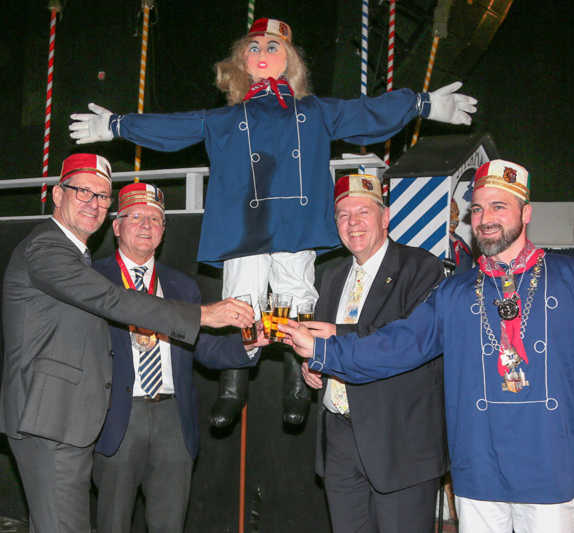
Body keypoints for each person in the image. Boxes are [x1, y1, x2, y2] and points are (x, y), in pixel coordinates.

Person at [68, 17, 478, 428]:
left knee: (296, 296)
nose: (262, 54)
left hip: (295, 224)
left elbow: (364, 112)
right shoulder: (227, 118)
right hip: (244, 226)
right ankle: (233, 385)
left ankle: (297, 381)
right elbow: (176, 126)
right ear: (240, 63)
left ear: (290, 60)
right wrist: (117, 125)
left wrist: (420, 104)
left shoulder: (314, 112)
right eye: (254, 48)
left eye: (272, 47)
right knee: (240, 299)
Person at [282, 159, 574, 533]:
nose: (485, 218)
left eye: (498, 206)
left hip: (550, 462)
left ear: (526, 213)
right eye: (477, 209)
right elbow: (399, 344)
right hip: (479, 470)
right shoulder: (455, 291)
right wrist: (325, 352)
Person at [0, 153, 253, 533]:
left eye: (102, 196)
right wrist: (204, 314)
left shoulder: (84, 259)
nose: (94, 202)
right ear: (57, 194)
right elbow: (112, 301)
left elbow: (201, 348)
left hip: (75, 421)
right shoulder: (49, 249)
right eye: (83, 191)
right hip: (56, 419)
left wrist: (248, 343)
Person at [92, 181, 268, 533]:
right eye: (136, 217)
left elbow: (206, 349)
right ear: (116, 227)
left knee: (170, 525)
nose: (146, 225)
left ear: (163, 231)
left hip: (173, 420)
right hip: (116, 417)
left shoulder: (181, 286)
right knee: (112, 523)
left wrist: (248, 345)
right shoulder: (93, 278)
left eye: (156, 219)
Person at [299, 174, 446, 532]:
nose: (353, 223)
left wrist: (334, 341)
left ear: (386, 217)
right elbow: (322, 346)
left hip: (399, 443)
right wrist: (312, 367)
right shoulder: (331, 276)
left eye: (363, 212)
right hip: (339, 439)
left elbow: (405, 342)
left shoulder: (421, 268)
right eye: (343, 215)